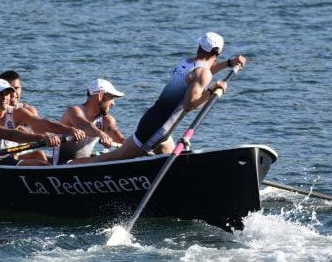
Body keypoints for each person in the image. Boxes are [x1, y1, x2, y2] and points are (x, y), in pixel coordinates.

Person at [82, 32, 246, 163]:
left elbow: (205, 73)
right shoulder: (203, 73)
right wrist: (212, 91)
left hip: (154, 120)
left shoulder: (187, 63)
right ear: (217, 52)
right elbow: (190, 105)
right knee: (111, 158)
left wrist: (229, 64)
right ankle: (71, 167)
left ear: (199, 46)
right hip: (158, 129)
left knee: (171, 160)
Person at [0, 79, 85, 165]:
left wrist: (70, 130)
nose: (5, 97)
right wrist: (42, 137)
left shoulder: (17, 113)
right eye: (0, 94)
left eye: (7, 93)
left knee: (39, 155)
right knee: (39, 166)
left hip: (10, 160)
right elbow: (10, 135)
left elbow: (44, 123)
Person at [53, 78, 128, 164]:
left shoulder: (107, 120)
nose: (113, 103)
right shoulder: (73, 112)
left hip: (85, 163)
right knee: (104, 159)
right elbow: (84, 126)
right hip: (62, 164)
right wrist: (101, 134)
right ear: (100, 96)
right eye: (111, 97)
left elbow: (121, 140)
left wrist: (136, 148)